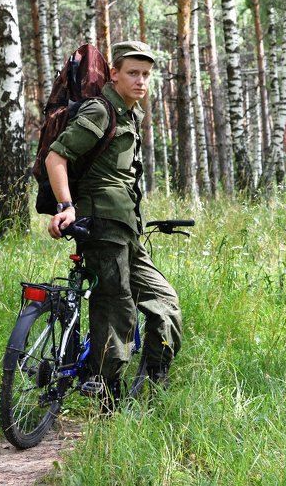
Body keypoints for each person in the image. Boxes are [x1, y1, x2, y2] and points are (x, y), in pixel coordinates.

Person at [45, 40, 182, 412]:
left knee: (166, 304)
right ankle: (105, 391)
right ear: (115, 74)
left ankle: (154, 387)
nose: (141, 81)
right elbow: (56, 156)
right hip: (101, 224)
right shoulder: (102, 110)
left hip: (125, 228)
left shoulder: (130, 114)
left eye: (146, 75)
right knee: (117, 304)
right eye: (133, 73)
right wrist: (67, 206)